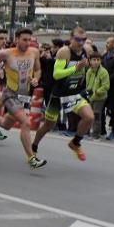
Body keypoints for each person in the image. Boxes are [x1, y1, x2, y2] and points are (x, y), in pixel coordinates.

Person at [0, 28, 47, 168]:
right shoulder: (6, 53)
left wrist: (36, 79)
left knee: (7, 125)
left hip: (25, 96)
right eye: (24, 40)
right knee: (26, 123)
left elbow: (38, 70)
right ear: (17, 40)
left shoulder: (34, 52)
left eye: (29, 40)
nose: (27, 43)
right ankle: (31, 158)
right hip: (10, 94)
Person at [32, 27, 95, 160]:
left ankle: (75, 142)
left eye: (83, 39)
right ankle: (34, 146)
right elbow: (56, 74)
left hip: (75, 93)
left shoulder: (87, 51)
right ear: (71, 39)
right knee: (48, 125)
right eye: (78, 39)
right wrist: (75, 68)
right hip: (59, 94)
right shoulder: (64, 52)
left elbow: (89, 68)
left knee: (89, 117)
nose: (81, 42)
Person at [86, 50, 110, 139]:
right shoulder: (89, 71)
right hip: (90, 97)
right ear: (90, 61)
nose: (96, 62)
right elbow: (88, 84)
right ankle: (87, 131)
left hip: (99, 98)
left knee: (96, 115)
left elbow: (106, 86)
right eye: (94, 60)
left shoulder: (103, 72)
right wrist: (88, 93)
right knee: (88, 115)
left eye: (98, 60)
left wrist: (97, 92)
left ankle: (96, 134)